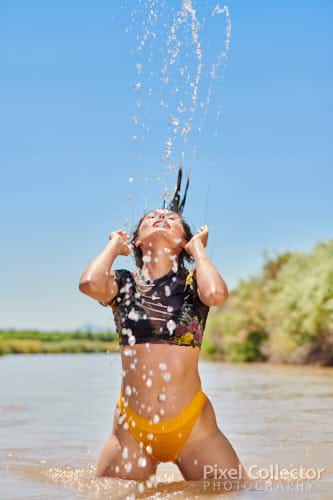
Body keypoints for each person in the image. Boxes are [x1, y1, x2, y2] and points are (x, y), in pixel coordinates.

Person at [78, 168, 248, 486]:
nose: (160, 218)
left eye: (170, 219)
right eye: (151, 217)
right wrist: (114, 246)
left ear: (183, 240)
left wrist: (198, 251)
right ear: (138, 240)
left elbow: (215, 294)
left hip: (194, 426)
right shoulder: (124, 283)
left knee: (236, 492)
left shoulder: (193, 281)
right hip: (131, 428)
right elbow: (89, 284)